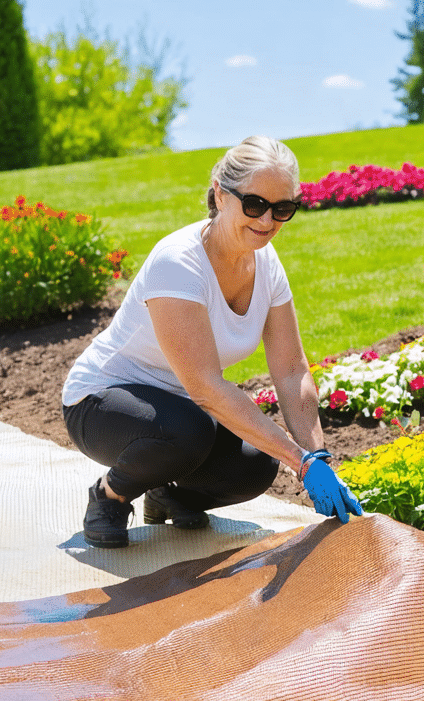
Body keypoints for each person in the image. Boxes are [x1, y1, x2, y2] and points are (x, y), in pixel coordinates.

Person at [61, 135, 362, 548]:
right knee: (190, 430)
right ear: (221, 194)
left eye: (282, 209)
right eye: (254, 204)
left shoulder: (267, 264)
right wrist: (301, 463)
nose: (267, 220)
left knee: (256, 463)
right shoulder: (178, 262)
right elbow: (205, 388)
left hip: (179, 410)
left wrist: (317, 456)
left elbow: (292, 370)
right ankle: (109, 496)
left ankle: (168, 495)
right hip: (100, 403)